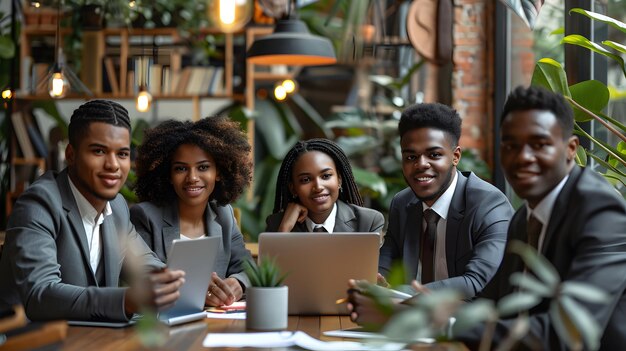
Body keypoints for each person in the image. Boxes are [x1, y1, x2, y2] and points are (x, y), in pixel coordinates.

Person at [456, 86, 626, 350]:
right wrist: (410, 310)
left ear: (571, 149)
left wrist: (443, 326)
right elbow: (490, 304)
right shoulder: (524, 217)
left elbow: (568, 332)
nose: (523, 157)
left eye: (539, 144)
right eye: (511, 145)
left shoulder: (601, 213)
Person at [0, 100, 185, 322]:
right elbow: (41, 295)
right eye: (99, 151)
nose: (113, 165)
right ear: (71, 154)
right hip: (30, 340)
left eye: (123, 154)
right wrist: (126, 300)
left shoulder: (116, 208)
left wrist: (180, 282)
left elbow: (146, 267)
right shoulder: (38, 205)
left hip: (92, 338)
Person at [348, 102, 513, 325]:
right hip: (411, 326)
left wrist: (403, 296)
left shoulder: (489, 204)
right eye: (411, 157)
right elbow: (388, 259)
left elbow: (476, 282)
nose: (420, 165)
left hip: (473, 330)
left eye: (434, 155)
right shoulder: (403, 203)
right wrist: (375, 283)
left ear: (455, 156)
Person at [130, 116, 253, 307]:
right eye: (181, 169)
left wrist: (237, 283)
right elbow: (145, 275)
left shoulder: (224, 216)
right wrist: (192, 288)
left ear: (218, 172)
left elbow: (248, 268)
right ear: (169, 175)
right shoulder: (145, 217)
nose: (192, 178)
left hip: (216, 325)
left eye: (203, 167)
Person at [265, 138, 384, 234]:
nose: (318, 187)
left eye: (326, 176)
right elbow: (272, 264)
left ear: (339, 180)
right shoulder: (277, 224)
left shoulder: (368, 222)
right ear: (293, 188)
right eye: (306, 180)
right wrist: (284, 230)